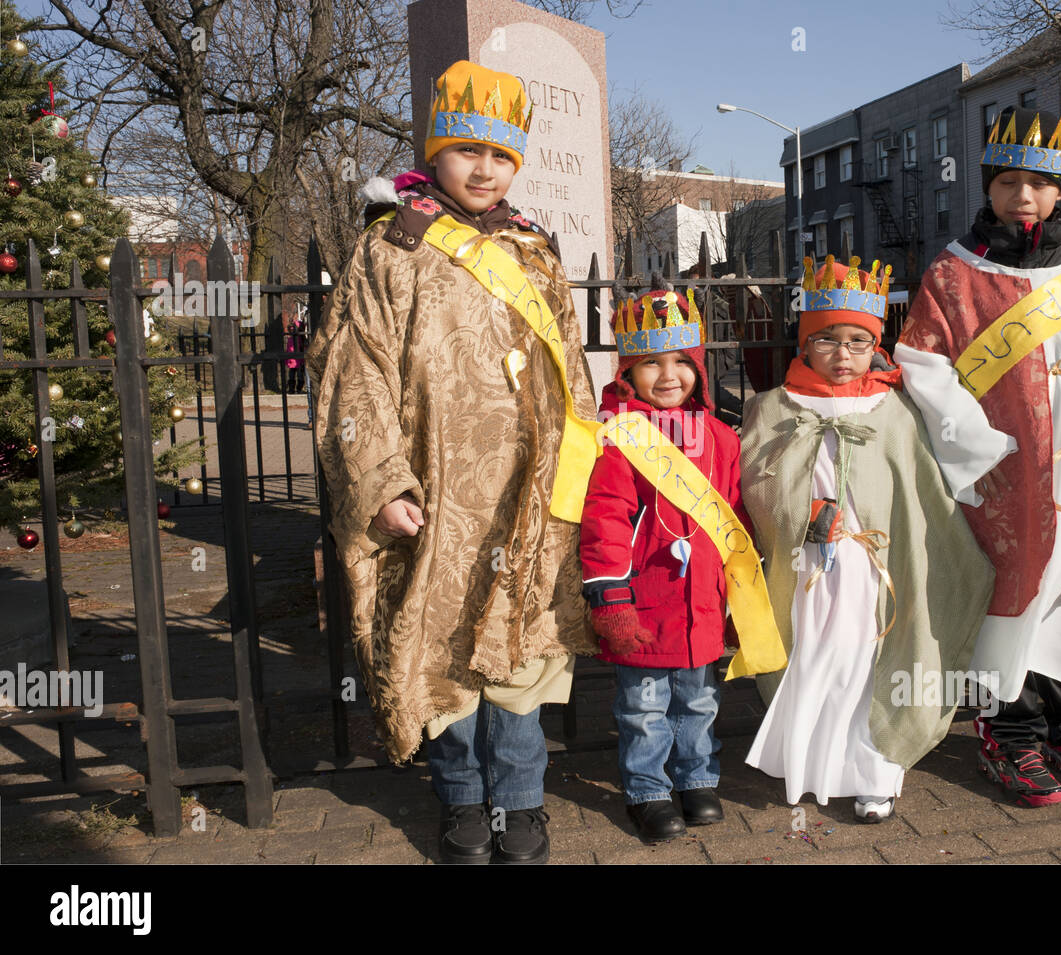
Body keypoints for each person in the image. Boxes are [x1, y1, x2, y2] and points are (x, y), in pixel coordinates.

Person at [307, 60, 602, 864]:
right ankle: (463, 799)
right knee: (442, 652)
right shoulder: (390, 249)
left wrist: (578, 471)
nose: (484, 167)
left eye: (501, 155)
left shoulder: (535, 251)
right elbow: (353, 375)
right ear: (434, 153)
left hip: (525, 493)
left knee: (519, 657)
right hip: (435, 492)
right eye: (467, 149)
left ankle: (520, 802)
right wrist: (382, 481)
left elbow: (571, 370)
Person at [894, 106, 1061, 806]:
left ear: (1060, 193)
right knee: (1008, 602)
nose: (1023, 195)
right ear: (989, 185)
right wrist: (978, 450)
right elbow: (922, 365)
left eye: (1039, 184)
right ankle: (1008, 735)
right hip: (1001, 475)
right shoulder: (952, 275)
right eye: (1009, 179)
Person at [741, 256, 994, 822]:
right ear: (804, 343)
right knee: (814, 656)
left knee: (867, 658)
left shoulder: (893, 408)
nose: (843, 354)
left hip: (871, 568)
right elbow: (758, 482)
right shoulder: (774, 407)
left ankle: (873, 770)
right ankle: (812, 765)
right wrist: (799, 514)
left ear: (875, 345)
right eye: (827, 340)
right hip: (807, 565)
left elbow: (919, 490)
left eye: (858, 341)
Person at [579, 281, 757, 843]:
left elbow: (736, 519)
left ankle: (696, 778)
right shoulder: (618, 440)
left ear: (700, 369)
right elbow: (604, 522)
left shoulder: (722, 438)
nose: (669, 374)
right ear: (626, 374)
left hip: (701, 601)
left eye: (682, 361)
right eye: (650, 363)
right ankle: (648, 790)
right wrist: (611, 598)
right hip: (645, 601)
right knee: (643, 707)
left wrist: (739, 594)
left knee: (700, 701)